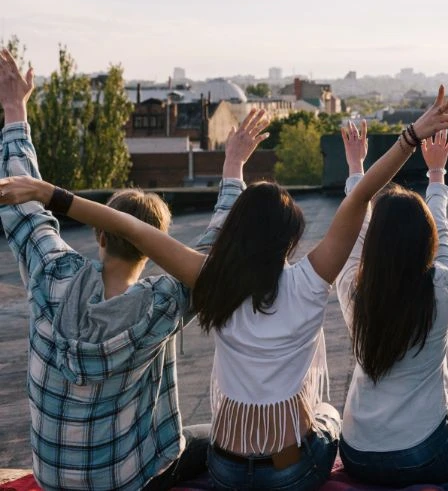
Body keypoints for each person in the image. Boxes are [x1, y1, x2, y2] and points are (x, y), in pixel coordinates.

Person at [0, 86, 448, 491]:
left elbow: (135, 231)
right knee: (329, 417)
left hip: (226, 471)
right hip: (288, 474)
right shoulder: (310, 280)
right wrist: (410, 137)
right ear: (289, 239)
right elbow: (360, 198)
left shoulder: (210, 279)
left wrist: (52, 195)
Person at [0, 50, 266, 490]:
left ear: (100, 236)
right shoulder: (161, 304)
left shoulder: (51, 274)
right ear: (153, 248)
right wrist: (233, 168)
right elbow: (212, 253)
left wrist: (15, 111)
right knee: (215, 436)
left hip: (53, 479)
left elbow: (23, 207)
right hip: (125, 481)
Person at [335, 122, 448, 485]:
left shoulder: (352, 288)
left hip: (356, 454)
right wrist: (436, 173)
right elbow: (441, 227)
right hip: (422, 455)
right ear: (424, 239)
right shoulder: (443, 287)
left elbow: (355, 225)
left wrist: (355, 169)